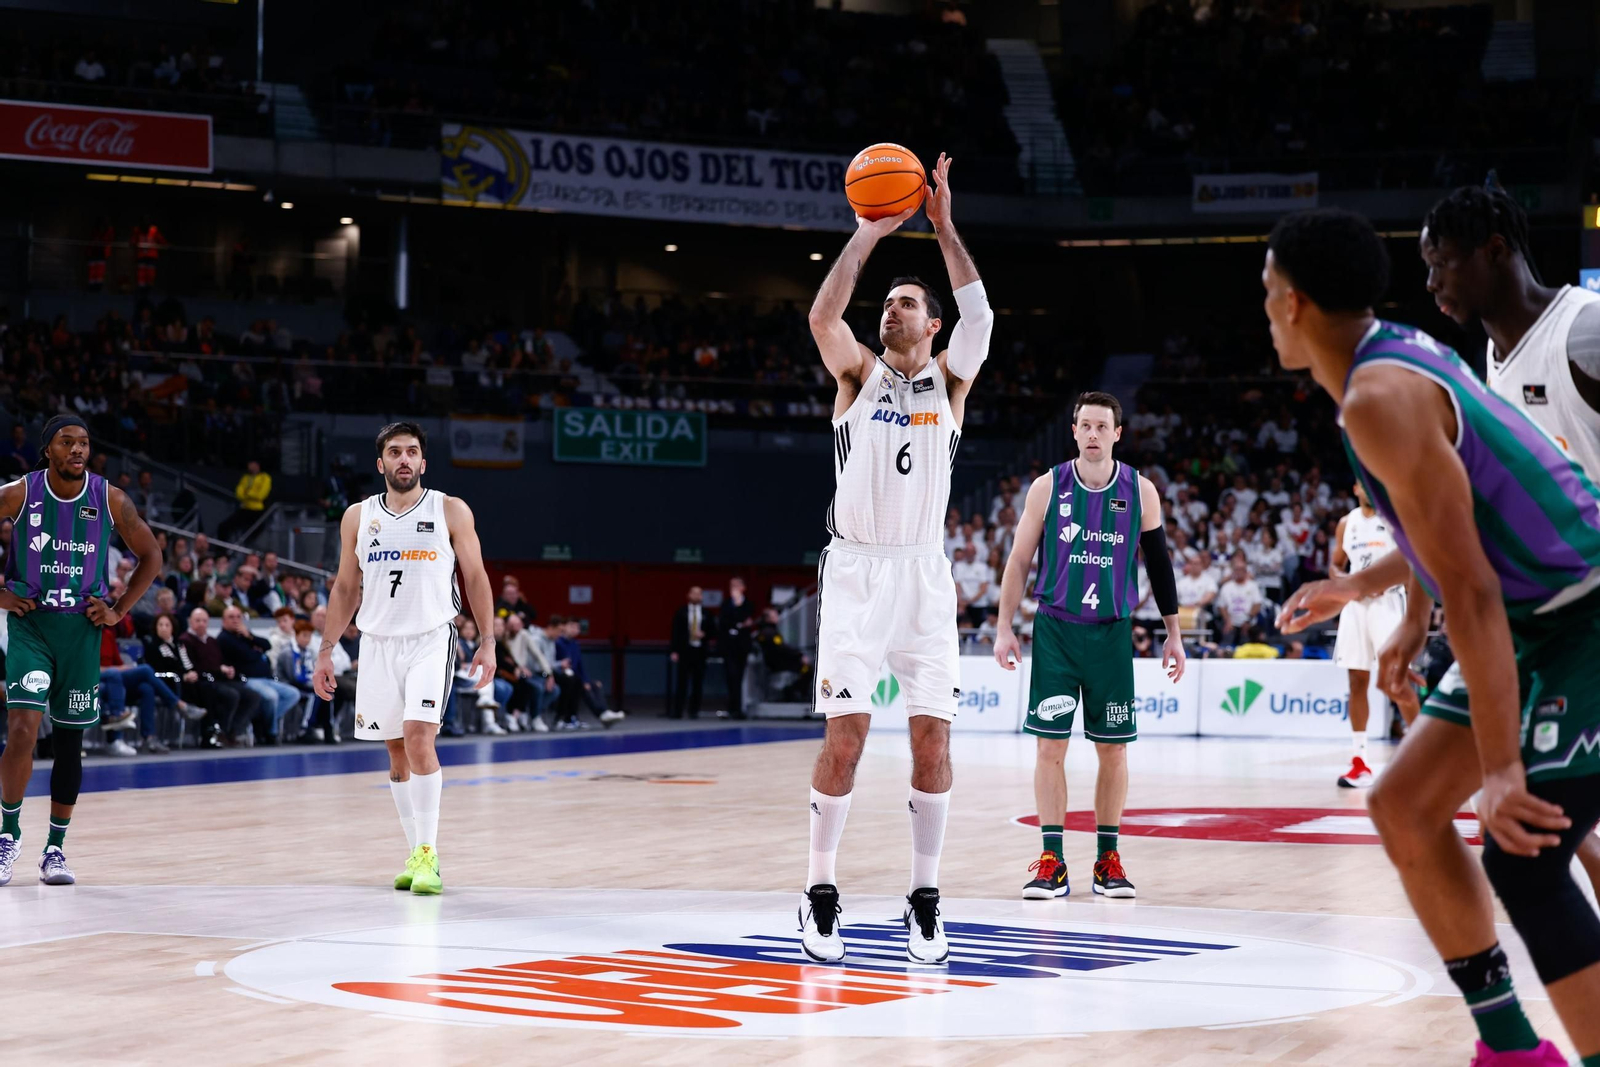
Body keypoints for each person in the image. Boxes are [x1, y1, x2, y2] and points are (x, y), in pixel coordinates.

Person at [1261, 207, 1600, 1066]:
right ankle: (1512, 1049)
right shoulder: (1382, 368)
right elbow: (1452, 531)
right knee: (1403, 805)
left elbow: (1476, 588)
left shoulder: (1380, 396)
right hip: (1533, 616)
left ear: (1295, 303)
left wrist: (1497, 769)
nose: (1265, 311)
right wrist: (1374, 595)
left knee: (1523, 849)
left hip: (1582, 610)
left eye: (1267, 294)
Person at [801, 152, 991, 964]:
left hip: (922, 573)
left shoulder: (950, 383)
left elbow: (982, 317)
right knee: (845, 735)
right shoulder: (857, 377)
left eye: (906, 304)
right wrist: (868, 235)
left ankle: (925, 896)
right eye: (886, 304)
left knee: (932, 742)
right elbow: (822, 315)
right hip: (855, 569)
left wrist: (943, 226)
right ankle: (818, 889)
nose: (890, 311)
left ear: (933, 323)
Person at [992, 392, 1186, 902]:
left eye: (1103, 426)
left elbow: (1160, 566)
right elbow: (1017, 562)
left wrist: (1174, 633)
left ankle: (1107, 859)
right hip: (1056, 630)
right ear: (1074, 431)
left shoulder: (1140, 491)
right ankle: (1052, 860)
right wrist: (1003, 626)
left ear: (1117, 433)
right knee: (1049, 747)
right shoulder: (1045, 488)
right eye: (1086, 425)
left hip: (1111, 634)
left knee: (1113, 750)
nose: (1094, 433)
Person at [313, 422, 496, 897]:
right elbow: (345, 588)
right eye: (394, 452)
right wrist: (326, 650)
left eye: (412, 452)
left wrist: (489, 639)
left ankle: (430, 856)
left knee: (419, 739)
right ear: (381, 464)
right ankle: (415, 851)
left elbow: (475, 576)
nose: (404, 460)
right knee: (395, 751)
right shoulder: (357, 516)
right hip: (376, 643)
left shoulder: (449, 509)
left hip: (430, 640)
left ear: (423, 462)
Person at [0, 415, 163, 887]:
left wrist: (118, 609)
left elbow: (151, 556)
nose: (77, 449)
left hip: (82, 631)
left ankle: (55, 848)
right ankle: (8, 834)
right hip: (32, 626)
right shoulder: (21, 492)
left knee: (71, 742)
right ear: (47, 449)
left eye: (84, 442)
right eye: (66, 442)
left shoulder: (109, 498)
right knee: (22, 728)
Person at [1329, 480, 1417, 788]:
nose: (1366, 487)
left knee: (1397, 680)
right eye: (1360, 484)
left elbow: (1412, 565)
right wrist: (1345, 583)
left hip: (1388, 602)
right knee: (1357, 681)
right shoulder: (1346, 523)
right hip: (1356, 607)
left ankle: (1420, 758)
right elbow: (1336, 566)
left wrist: (1379, 583)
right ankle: (1360, 761)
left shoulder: (1395, 517)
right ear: (1355, 489)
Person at [218, 605, 300, 744]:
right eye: (231, 617)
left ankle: (262, 723)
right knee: (271, 697)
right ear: (223, 620)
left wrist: (250, 636)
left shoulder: (244, 635)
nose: (236, 620)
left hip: (266, 678)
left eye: (238, 617)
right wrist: (255, 649)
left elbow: (267, 645)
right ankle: (271, 733)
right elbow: (247, 655)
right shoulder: (224, 638)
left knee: (293, 694)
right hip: (248, 679)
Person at [669, 586, 709, 720]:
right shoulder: (681, 612)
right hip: (685, 651)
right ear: (688, 595)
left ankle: (694, 711)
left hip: (700, 652)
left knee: (698, 683)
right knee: (682, 682)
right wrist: (674, 651)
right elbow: (675, 632)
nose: (696, 596)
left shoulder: (707, 613)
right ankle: (677, 711)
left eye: (699, 594)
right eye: (694, 593)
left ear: (702, 596)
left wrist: (704, 634)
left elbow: (714, 631)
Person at [718, 577, 755, 718]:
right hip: (728, 647)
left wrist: (739, 606)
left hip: (742, 647)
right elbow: (724, 622)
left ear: (743, 587)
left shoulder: (748, 604)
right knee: (730, 676)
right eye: (731, 585)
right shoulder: (726, 604)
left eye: (736, 585)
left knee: (739, 677)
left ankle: (738, 709)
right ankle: (732, 708)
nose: (733, 588)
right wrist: (739, 624)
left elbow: (747, 619)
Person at [1214, 551, 1263, 648]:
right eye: (1237, 570)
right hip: (1230, 622)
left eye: (1242, 570)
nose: (1239, 572)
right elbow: (1221, 606)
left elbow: (1257, 604)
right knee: (1226, 640)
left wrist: (1247, 621)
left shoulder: (1252, 586)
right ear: (1233, 571)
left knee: (1248, 640)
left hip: (1248, 622)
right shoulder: (1227, 587)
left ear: (1246, 572)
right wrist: (1227, 620)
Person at [218, 459, 272, 543]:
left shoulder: (265, 477)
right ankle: (222, 551)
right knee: (223, 527)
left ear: (257, 465)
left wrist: (248, 493)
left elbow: (261, 495)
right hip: (245, 508)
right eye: (249, 464)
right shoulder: (245, 478)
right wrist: (250, 494)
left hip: (257, 511)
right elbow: (239, 493)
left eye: (252, 463)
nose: (250, 466)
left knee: (252, 534)